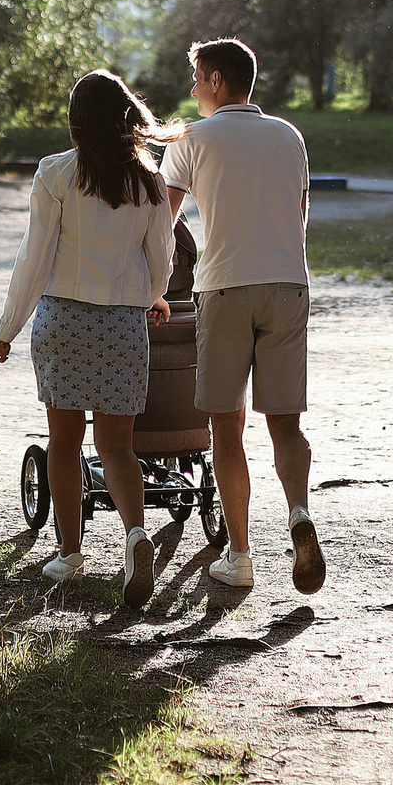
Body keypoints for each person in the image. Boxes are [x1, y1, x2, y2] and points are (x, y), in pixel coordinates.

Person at [0, 70, 176, 608]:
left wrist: (8, 328)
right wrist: (155, 294)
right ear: (128, 123)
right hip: (122, 323)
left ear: (76, 125)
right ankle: (135, 536)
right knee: (116, 445)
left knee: (65, 441)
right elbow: (161, 260)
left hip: (63, 321)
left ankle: (70, 551)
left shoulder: (56, 173)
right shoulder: (149, 182)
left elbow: (34, 258)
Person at [160, 37, 323, 594]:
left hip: (225, 287)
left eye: (196, 78)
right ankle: (299, 512)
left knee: (225, 425)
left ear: (214, 81)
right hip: (288, 285)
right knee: (286, 422)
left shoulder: (191, 137)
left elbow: (164, 221)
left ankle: (242, 555)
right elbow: (299, 216)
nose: (192, 89)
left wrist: (153, 286)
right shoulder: (289, 136)